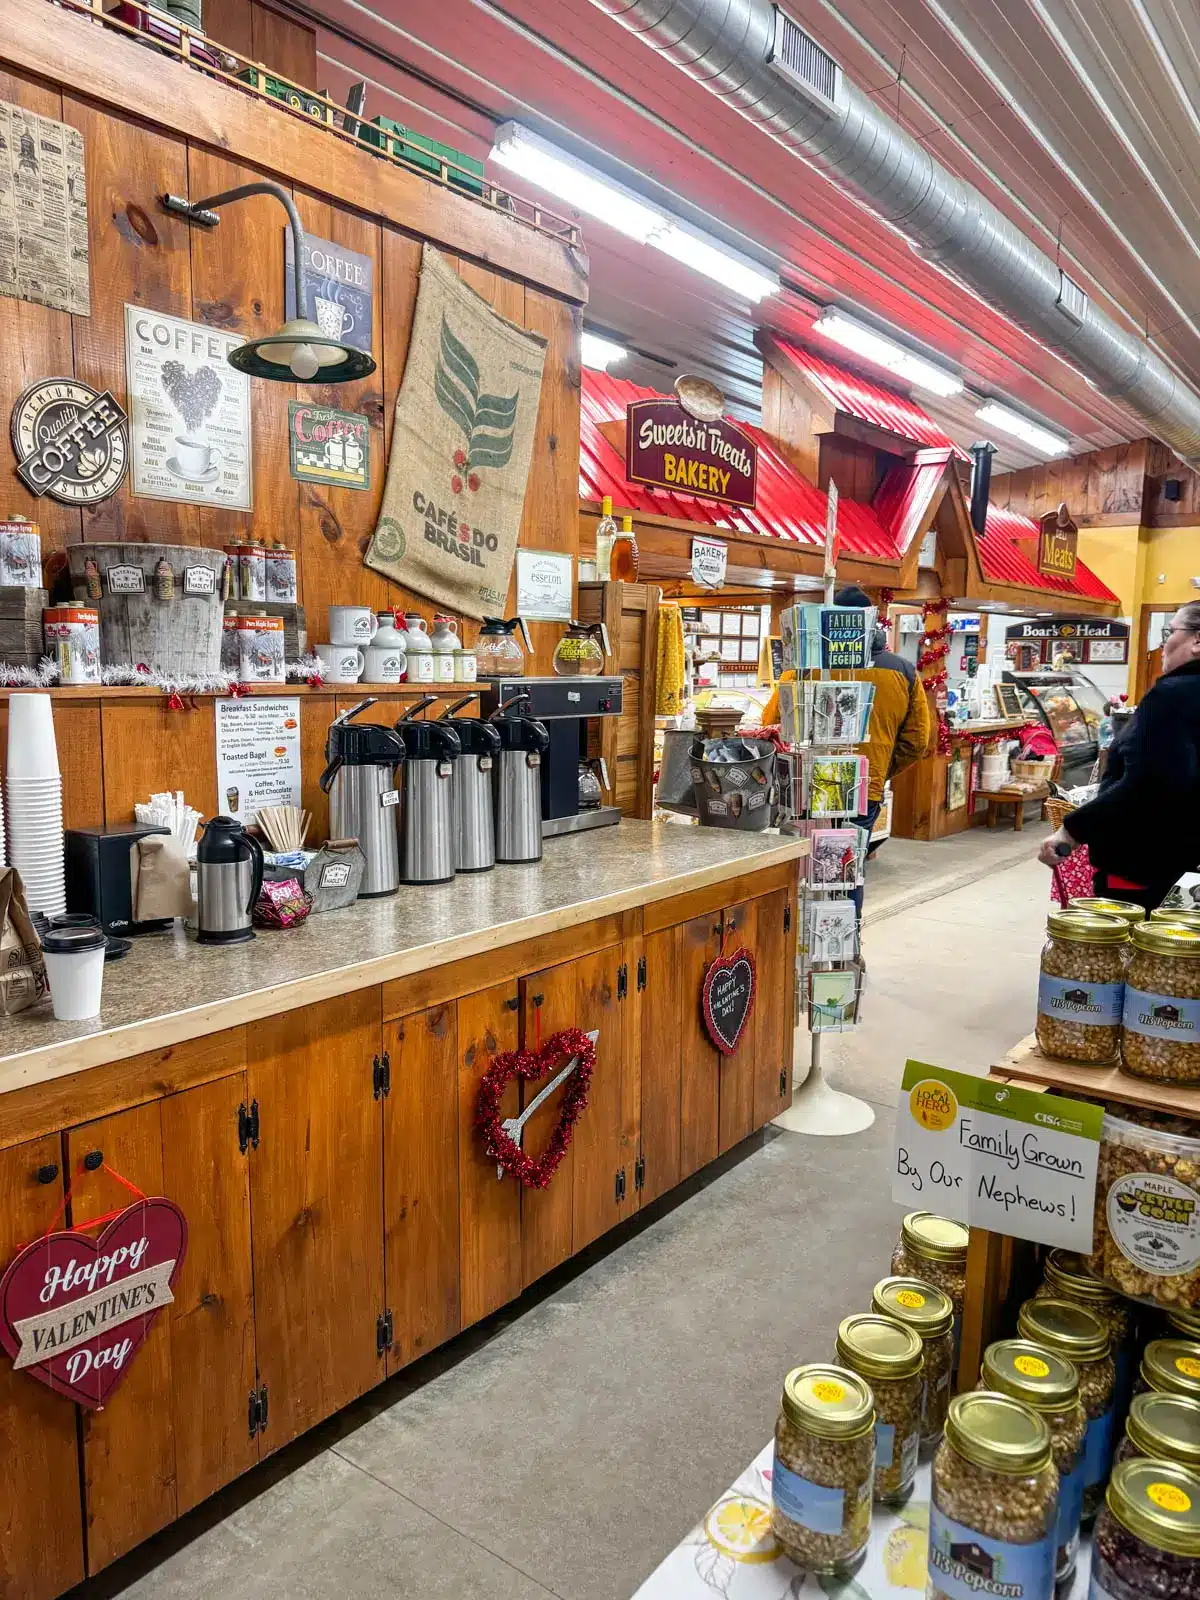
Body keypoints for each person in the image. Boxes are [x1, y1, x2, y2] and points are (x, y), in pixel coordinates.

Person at [765, 584, 932, 912]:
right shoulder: (903, 671)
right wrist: (879, 768)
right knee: (847, 867)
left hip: (806, 784)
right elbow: (917, 741)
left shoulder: (802, 665)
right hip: (864, 789)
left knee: (802, 867)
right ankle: (846, 935)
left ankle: (798, 935)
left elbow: (771, 723)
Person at [1038, 601, 1200, 910]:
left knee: (1132, 937)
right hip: (1186, 864)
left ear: (1197, 640)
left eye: (1170, 632)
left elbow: (1151, 781)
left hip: (1148, 865)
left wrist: (1072, 830)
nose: (1163, 644)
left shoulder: (1172, 695)